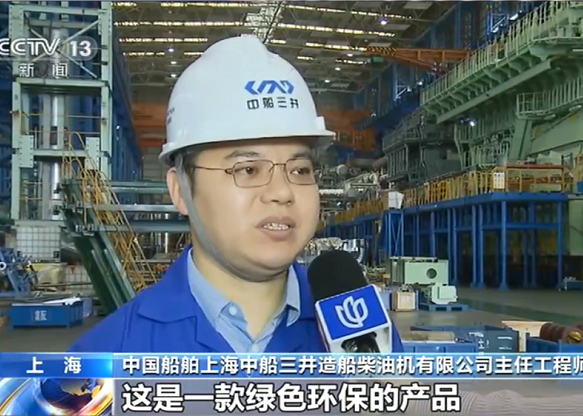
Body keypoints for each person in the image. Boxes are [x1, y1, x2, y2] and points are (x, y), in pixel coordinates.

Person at [70, 35, 404, 353]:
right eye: (247, 170)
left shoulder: (365, 337)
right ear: (180, 190)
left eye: (300, 170)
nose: (282, 192)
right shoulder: (108, 356)